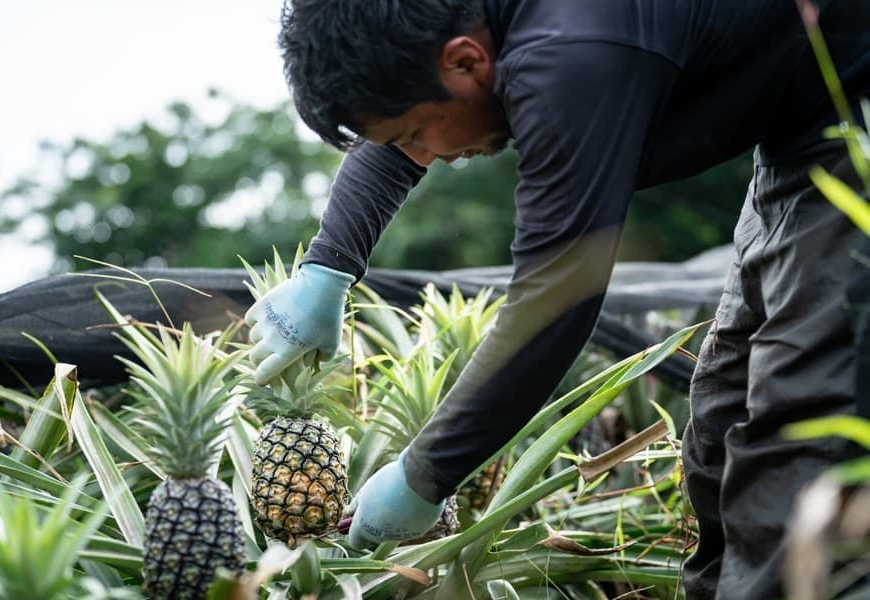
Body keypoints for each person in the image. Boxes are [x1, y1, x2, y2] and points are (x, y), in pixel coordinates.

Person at [244, 1, 870, 597]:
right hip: (801, 127)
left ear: (466, 63)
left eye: (416, 135)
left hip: (854, 104)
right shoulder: (467, 26)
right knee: (723, 424)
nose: (428, 158)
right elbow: (404, 120)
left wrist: (424, 474)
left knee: (797, 433)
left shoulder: (571, 52)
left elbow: (556, 300)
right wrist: (327, 266)